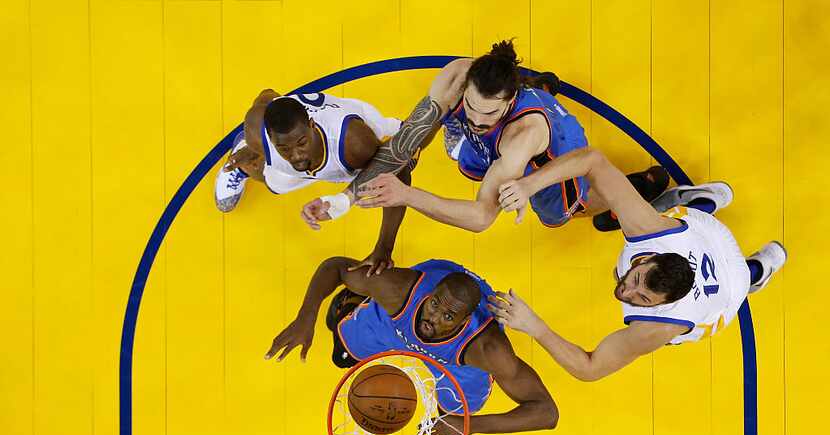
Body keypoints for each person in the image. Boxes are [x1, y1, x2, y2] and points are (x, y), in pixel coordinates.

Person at [301, 40, 665, 237]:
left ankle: (623, 197)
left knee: (567, 213)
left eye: (488, 113)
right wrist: (343, 200)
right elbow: (402, 146)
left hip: (549, 155)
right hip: (504, 139)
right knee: (427, 132)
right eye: (471, 107)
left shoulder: (522, 139)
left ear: (509, 98)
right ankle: (542, 91)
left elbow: (481, 217)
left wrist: (408, 195)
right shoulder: (456, 76)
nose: (476, 119)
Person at [487, 146, 787, 381]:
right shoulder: (650, 231)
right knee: (674, 217)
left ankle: (759, 270)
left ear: (662, 304)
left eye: (643, 298)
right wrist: (528, 186)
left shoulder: (658, 327)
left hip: (728, 287)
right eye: (636, 279)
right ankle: (705, 200)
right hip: (706, 232)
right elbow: (593, 160)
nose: (627, 293)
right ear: (652, 256)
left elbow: (590, 369)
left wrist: (535, 326)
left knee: (739, 283)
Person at [264, 256, 559, 435]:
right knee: (343, 351)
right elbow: (336, 266)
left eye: (448, 317)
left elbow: (546, 413)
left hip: (458, 361)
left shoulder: (487, 349)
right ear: (428, 296)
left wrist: (470, 426)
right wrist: (306, 317)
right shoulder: (400, 290)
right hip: (395, 323)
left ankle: (456, 417)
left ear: (464, 321)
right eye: (434, 306)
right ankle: (356, 301)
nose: (433, 318)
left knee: (453, 415)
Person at [215, 89, 410, 274]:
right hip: (313, 157)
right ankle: (244, 162)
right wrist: (253, 149)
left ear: (311, 125)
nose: (296, 156)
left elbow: (398, 177)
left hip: (354, 144)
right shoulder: (256, 128)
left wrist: (384, 247)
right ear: (270, 137)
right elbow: (269, 95)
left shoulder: (356, 144)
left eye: (301, 143)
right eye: (284, 148)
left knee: (395, 156)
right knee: (275, 184)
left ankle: (395, 125)